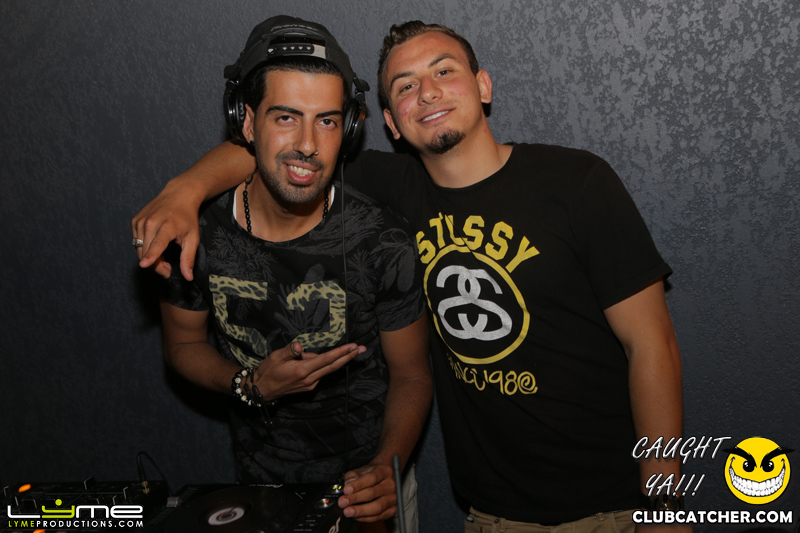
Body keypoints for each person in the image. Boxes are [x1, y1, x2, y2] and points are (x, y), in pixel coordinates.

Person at [133, 19, 684, 532]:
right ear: (391, 124)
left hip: (616, 505)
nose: (428, 92)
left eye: (444, 70)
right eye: (405, 85)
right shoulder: (394, 189)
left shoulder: (576, 182)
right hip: (494, 514)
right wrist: (186, 191)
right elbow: (280, 153)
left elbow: (652, 344)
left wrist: (663, 502)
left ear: (483, 86)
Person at [149, 16, 432, 531]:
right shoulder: (195, 235)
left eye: (327, 121)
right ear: (247, 123)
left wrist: (385, 466)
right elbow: (182, 346)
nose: (307, 144)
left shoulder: (383, 241)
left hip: (370, 492)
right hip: (257, 489)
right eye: (285, 117)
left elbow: (412, 374)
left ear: (348, 129)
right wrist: (248, 384)